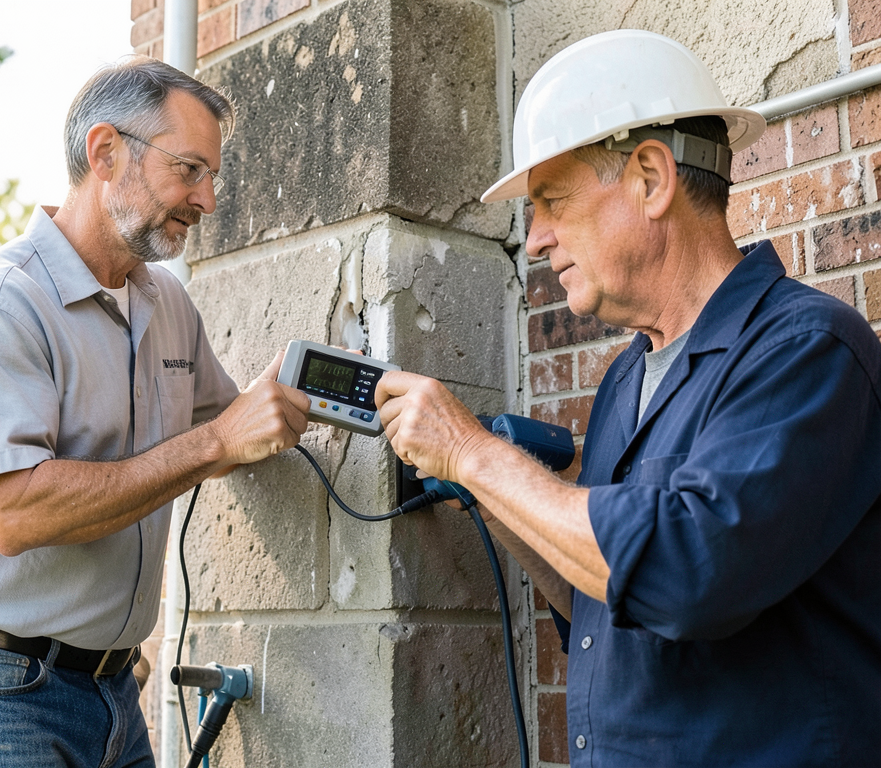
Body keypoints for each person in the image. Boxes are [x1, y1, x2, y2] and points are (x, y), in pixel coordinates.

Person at [377, 29, 880, 767]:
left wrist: (473, 451)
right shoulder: (626, 378)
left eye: (550, 200)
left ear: (650, 178)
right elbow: (600, 600)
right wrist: (489, 492)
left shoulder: (807, 351)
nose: (538, 238)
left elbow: (685, 575)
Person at [0, 57, 310, 767]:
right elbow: (17, 513)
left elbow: (237, 425)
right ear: (106, 152)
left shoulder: (166, 303)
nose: (207, 200)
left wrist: (356, 408)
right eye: (189, 169)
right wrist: (215, 443)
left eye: (213, 177)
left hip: (113, 693)